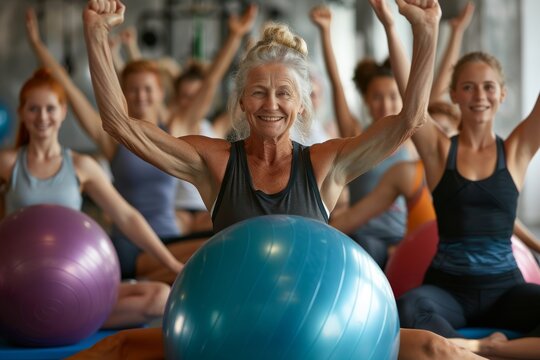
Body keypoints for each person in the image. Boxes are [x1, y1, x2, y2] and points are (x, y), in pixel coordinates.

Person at [77, 0, 486, 358]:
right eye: (258, 92)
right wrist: (95, 35)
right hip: (232, 330)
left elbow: (410, 120)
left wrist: (426, 31)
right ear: (240, 101)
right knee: (117, 347)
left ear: (301, 105)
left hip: (319, 331)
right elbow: (120, 125)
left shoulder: (328, 163)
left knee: (436, 348)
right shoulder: (214, 161)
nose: (270, 104)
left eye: (284, 93)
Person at [24, 6, 256, 283]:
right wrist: (38, 46)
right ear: (122, 92)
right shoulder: (114, 136)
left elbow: (210, 83)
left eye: (147, 89)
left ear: (160, 93)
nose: (140, 96)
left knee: (227, 244)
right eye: (132, 89)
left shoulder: (174, 130)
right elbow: (70, 93)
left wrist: (234, 37)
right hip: (131, 247)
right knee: (222, 252)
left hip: (171, 238)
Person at [0, 68, 182, 329]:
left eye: (50, 109)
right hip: (19, 286)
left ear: (63, 112)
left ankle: (54, 319)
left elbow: (126, 216)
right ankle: (54, 319)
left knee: (159, 297)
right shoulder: (7, 164)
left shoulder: (81, 166)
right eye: (33, 109)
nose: (42, 117)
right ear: (21, 113)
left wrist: (171, 263)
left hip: (72, 281)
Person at [310, 4, 412, 268]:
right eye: (377, 97)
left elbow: (429, 89)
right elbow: (337, 85)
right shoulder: (356, 136)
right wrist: (325, 32)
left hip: (402, 238)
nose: (385, 104)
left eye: (392, 96)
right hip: (363, 237)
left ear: (402, 98)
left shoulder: (410, 140)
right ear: (366, 101)